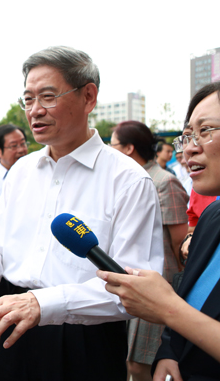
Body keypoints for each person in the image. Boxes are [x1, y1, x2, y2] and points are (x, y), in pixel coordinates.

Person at [0, 46, 163, 381]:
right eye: (28, 99)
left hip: (85, 341)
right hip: (13, 328)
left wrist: (44, 304)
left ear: (89, 96)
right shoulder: (20, 171)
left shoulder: (128, 180)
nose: (34, 111)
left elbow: (133, 290)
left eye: (47, 96)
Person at [99, 81, 220, 381]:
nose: (189, 148)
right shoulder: (212, 216)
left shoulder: (166, 183)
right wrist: (169, 350)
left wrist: (165, 307)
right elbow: (189, 295)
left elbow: (174, 306)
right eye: (188, 135)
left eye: (205, 131)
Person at [110, 121, 189, 380]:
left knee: (142, 365)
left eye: (114, 145)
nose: (109, 151)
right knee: (129, 361)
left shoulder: (165, 181)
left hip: (157, 285)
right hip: (130, 283)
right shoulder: (119, 180)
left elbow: (180, 244)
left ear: (130, 148)